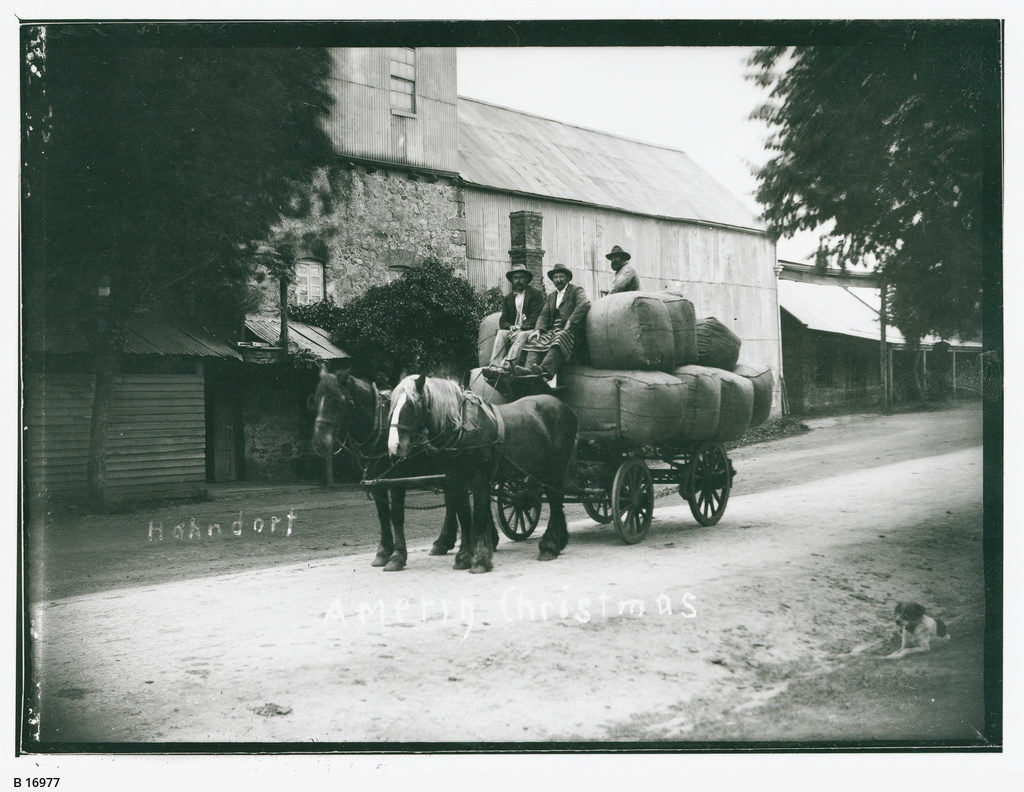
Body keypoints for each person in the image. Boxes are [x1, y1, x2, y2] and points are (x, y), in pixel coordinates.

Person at [518, 263, 591, 382]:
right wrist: (538, 330)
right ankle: (528, 370)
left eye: (561, 277)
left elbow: (584, 304)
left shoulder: (576, 290)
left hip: (571, 332)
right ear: (552, 280)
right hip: (553, 331)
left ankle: (544, 371)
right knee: (535, 339)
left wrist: (570, 321)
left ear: (567, 278)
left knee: (560, 337)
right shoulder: (552, 296)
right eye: (555, 277)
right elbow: (544, 315)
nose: (558, 280)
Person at [488, 263, 545, 370]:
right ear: (511, 280)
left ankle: (507, 365)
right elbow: (503, 319)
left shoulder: (536, 294)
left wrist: (520, 328)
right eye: (515, 278)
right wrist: (510, 327)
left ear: (527, 279)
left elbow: (537, 316)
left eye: (521, 277)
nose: (518, 281)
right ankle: (494, 366)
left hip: (531, 329)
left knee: (521, 335)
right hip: (514, 330)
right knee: (501, 333)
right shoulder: (508, 298)